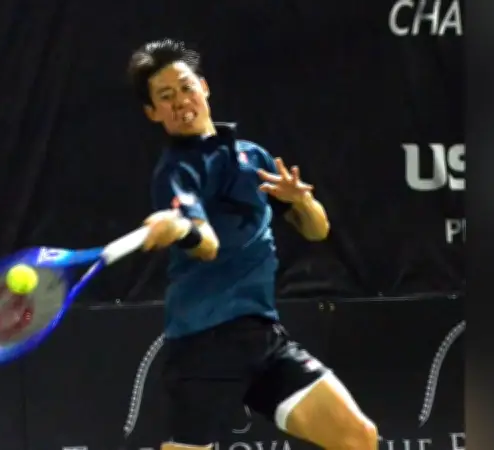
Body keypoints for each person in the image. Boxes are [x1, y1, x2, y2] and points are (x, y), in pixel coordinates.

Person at [127, 39, 379, 450]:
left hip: (263, 337)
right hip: (204, 342)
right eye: (166, 96)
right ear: (152, 112)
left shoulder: (253, 157)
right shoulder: (176, 172)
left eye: (186, 87)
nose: (181, 101)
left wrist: (301, 201)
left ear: (204, 87)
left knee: (357, 438)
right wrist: (182, 231)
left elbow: (317, 230)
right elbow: (206, 245)